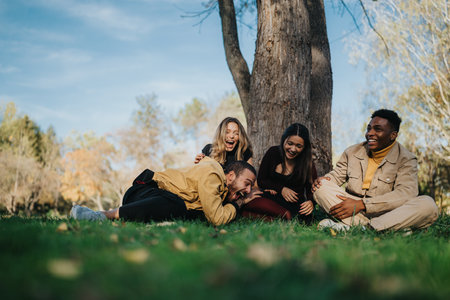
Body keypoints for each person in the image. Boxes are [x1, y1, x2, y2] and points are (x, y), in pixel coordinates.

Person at [312, 109, 439, 231]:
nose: (369, 133)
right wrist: (326, 179)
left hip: (389, 212)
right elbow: (337, 175)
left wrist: (363, 204)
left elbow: (406, 193)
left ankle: (364, 228)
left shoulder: (406, 159)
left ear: (393, 135)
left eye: (377, 129)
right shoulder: (352, 152)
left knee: (428, 205)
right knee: (321, 187)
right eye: (369, 128)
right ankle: (385, 229)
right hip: (350, 207)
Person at [71, 158, 261, 226]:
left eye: (251, 186)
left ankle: (122, 214)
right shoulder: (213, 175)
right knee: (176, 204)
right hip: (144, 190)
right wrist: (238, 203)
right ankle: (102, 215)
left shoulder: (218, 185)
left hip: (149, 197)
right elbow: (217, 219)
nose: (248, 190)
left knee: (186, 211)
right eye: (247, 183)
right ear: (230, 176)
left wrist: (231, 197)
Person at [242, 123, 317, 222]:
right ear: (284, 140)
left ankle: (285, 216)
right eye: (290, 143)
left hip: (294, 204)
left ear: (304, 147)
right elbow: (261, 180)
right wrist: (281, 189)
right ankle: (282, 217)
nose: (293, 149)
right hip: (270, 199)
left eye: (299, 146)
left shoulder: (308, 163)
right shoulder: (273, 153)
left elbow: (312, 188)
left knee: (305, 217)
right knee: (250, 204)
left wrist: (311, 202)